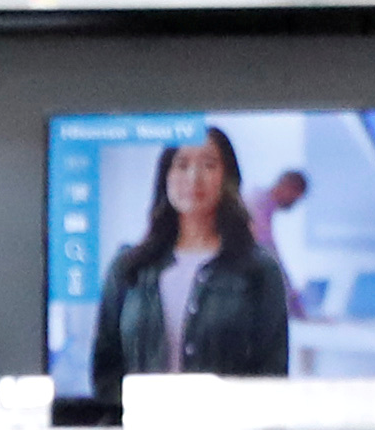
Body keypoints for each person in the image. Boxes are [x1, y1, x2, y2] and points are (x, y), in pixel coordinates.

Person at [84, 125, 298, 404]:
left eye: (209, 165)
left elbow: (272, 375)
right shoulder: (129, 267)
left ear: (227, 178)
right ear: (165, 176)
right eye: (182, 165)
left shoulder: (258, 270)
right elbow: (106, 368)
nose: (194, 177)